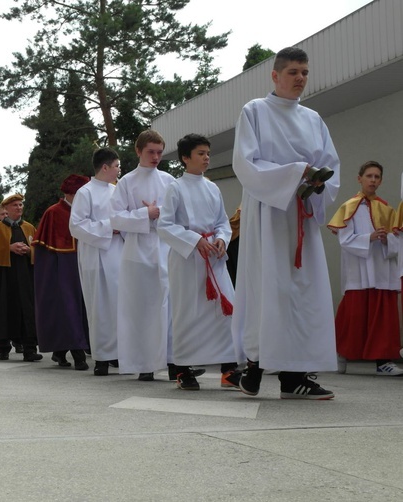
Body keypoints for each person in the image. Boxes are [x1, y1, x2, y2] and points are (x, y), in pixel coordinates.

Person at [232, 47, 340, 399]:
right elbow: (245, 164)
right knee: (269, 289)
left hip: (302, 216)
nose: (300, 78)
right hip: (268, 215)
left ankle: (295, 376)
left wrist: (318, 182)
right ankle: (255, 366)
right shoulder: (255, 112)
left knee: (303, 294)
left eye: (305, 72)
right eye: (293, 72)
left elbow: (330, 165)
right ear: (275, 76)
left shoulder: (313, 119)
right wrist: (294, 172)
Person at [158, 134, 243, 391]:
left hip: (213, 259)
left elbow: (221, 222)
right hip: (187, 261)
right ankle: (183, 369)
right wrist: (195, 240)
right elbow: (165, 225)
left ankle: (229, 369)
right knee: (188, 313)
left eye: (208, 153)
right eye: (200, 153)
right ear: (185, 158)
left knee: (225, 311)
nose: (207, 158)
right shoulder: (175, 188)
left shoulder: (212, 187)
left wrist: (220, 239)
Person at [110, 130, 174, 381]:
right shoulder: (127, 182)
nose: (156, 157)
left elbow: (179, 215)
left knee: (168, 307)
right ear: (138, 151)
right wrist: (145, 214)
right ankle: (144, 363)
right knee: (142, 308)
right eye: (151, 152)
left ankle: (173, 361)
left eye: (159, 152)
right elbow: (115, 218)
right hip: (137, 251)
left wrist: (161, 214)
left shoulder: (169, 180)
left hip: (165, 248)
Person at [327, 161, 401, 375]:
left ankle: (383, 361)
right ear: (359, 178)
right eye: (369, 176)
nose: (373, 180)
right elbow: (344, 239)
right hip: (359, 268)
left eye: (377, 176)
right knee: (354, 314)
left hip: (381, 268)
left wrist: (387, 240)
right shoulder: (349, 207)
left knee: (383, 316)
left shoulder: (387, 209)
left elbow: (397, 241)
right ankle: (340, 354)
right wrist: (369, 237)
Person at [69, 148, 124, 376]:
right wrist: (109, 227)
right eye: (117, 166)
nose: (120, 170)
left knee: (119, 307)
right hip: (96, 256)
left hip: (119, 255)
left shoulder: (119, 191)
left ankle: (120, 353)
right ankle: (102, 357)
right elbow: (76, 225)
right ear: (105, 167)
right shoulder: (85, 192)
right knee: (99, 307)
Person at [32, 174, 91, 370]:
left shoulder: (88, 211)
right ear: (72, 193)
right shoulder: (53, 213)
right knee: (69, 308)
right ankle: (79, 354)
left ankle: (60, 351)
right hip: (64, 267)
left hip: (87, 263)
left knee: (82, 309)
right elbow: (44, 252)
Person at [0, 193, 42, 362]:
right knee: (2, 310)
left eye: (21, 205)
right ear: (6, 209)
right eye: (15, 205)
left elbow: (38, 251)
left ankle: (29, 348)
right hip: (4, 281)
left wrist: (29, 251)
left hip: (25, 279)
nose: (19, 208)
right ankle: (3, 348)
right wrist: (8, 248)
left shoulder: (29, 228)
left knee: (27, 310)